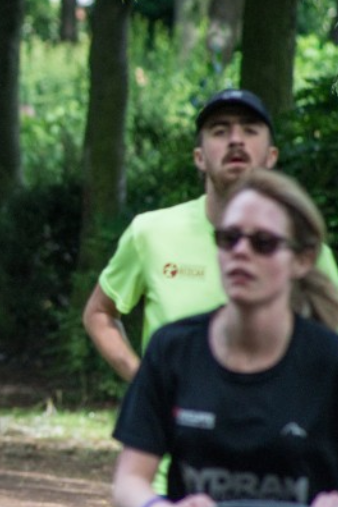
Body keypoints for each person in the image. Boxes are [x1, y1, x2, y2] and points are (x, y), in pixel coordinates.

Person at [111, 169, 338, 507]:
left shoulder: (329, 359)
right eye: (229, 238)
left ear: (302, 260)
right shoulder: (173, 348)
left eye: (263, 243)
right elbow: (129, 480)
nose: (241, 251)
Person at [83, 89, 338, 383]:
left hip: (270, 423)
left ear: (271, 157)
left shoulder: (300, 247)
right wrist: (145, 384)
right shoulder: (151, 232)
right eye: (220, 131)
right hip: (176, 426)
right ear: (199, 157)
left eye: (249, 130)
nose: (236, 139)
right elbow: (99, 313)